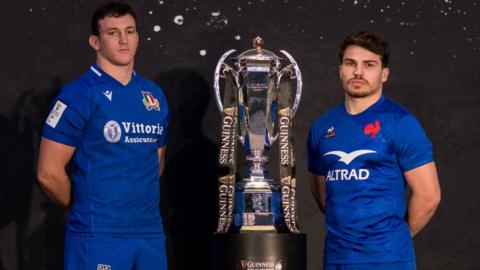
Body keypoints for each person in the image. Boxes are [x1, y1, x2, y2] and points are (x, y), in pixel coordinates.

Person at [36, 2, 169, 269]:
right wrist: (84, 210)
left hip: (149, 233)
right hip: (98, 235)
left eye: (130, 31)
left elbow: (156, 163)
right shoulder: (78, 95)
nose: (123, 40)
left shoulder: (154, 96)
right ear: (95, 42)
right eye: (113, 33)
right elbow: (48, 173)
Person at [307, 31, 441, 270]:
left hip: (388, 259)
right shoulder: (321, 128)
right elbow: (323, 196)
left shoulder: (401, 123)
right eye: (351, 63)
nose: (358, 72)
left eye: (369, 65)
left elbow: (429, 197)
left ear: (384, 73)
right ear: (341, 70)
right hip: (337, 259)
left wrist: (394, 237)